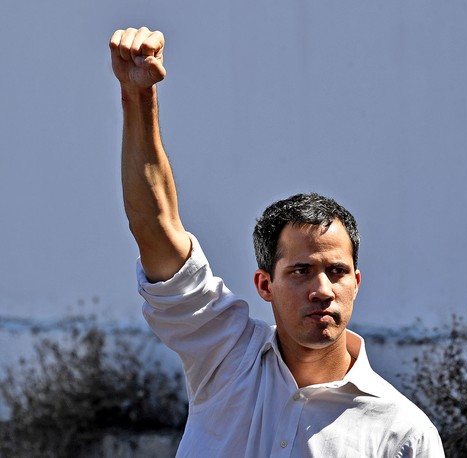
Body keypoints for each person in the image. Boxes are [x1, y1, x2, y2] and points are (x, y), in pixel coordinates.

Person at [109, 26, 445, 458]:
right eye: (301, 270)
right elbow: (154, 225)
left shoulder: (402, 433)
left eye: (337, 271)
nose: (322, 289)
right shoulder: (225, 356)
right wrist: (138, 97)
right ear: (265, 285)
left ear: (357, 282)